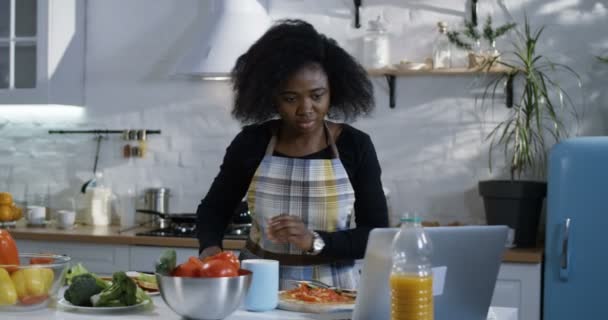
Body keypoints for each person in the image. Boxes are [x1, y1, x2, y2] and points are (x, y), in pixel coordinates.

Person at [196, 19, 388, 289]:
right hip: (259, 287)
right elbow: (213, 210)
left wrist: (314, 240)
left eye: (317, 95)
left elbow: (376, 234)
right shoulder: (251, 143)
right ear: (272, 97)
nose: (305, 108)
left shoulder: (356, 146)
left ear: (333, 91)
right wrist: (210, 249)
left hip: (334, 290)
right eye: (290, 98)